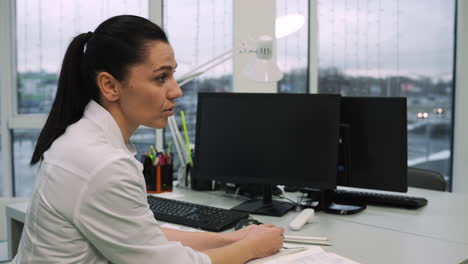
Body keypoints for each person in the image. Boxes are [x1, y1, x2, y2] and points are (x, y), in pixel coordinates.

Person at [13, 15, 284, 264]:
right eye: (161, 77)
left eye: (173, 74)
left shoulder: (82, 138)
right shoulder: (103, 165)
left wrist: (232, 238)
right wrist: (253, 248)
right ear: (109, 86)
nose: (176, 90)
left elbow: (146, 237)